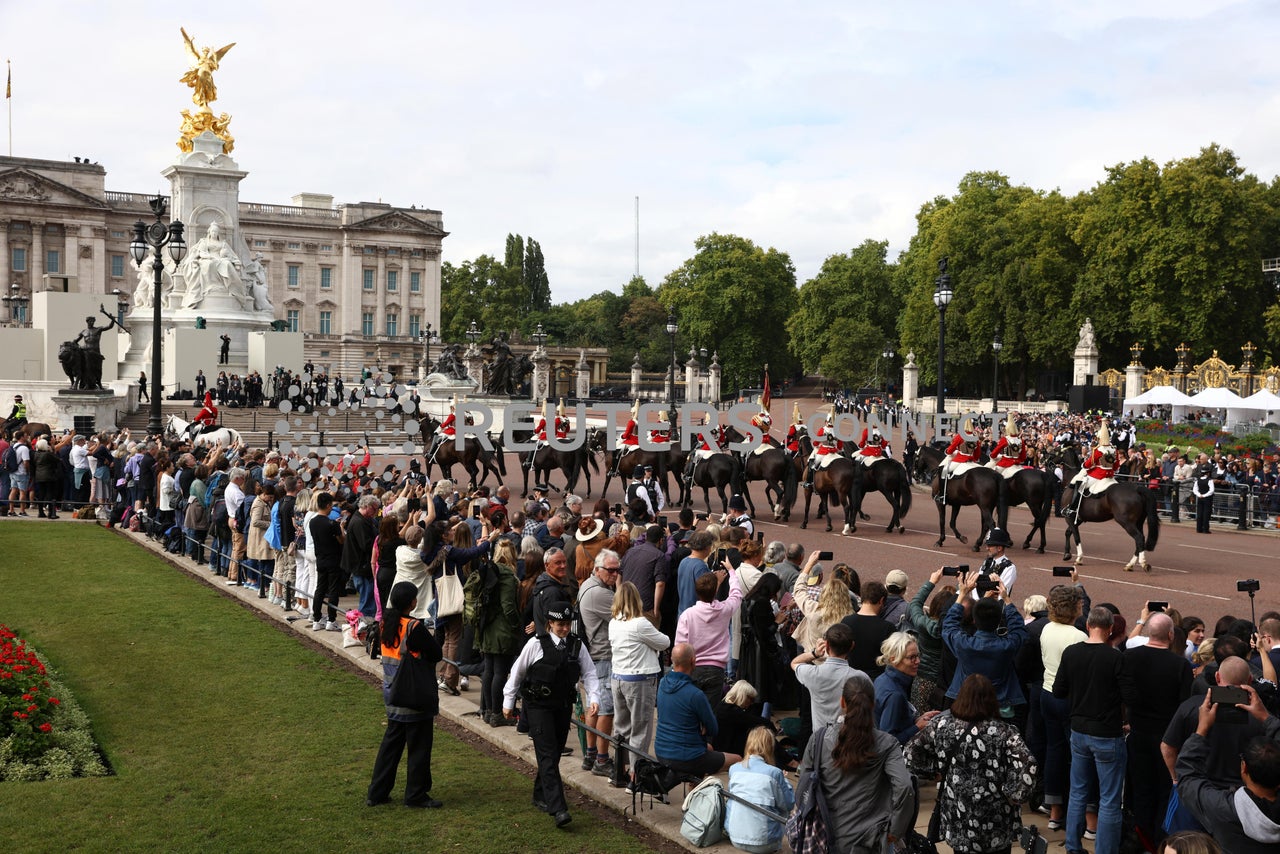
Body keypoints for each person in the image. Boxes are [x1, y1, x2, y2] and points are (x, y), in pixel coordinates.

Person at [905, 673, 1038, 854]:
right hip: (996, 819)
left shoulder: (942, 725)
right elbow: (1028, 765)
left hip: (958, 816)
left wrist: (934, 770)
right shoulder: (1004, 732)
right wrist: (1014, 794)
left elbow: (910, 754)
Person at [503, 601, 601, 828]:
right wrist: (508, 702)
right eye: (560, 625)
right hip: (538, 708)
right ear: (550, 624)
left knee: (554, 754)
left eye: (567, 624)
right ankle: (558, 808)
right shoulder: (535, 645)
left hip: (562, 707)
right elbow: (517, 673)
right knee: (547, 755)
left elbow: (590, 674)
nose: (564, 629)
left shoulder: (577, 646)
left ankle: (540, 794)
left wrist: (594, 699)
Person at [798, 677, 915, 852]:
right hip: (872, 840)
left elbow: (803, 787)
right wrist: (896, 830)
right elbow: (905, 787)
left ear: (842, 702)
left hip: (826, 836)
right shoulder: (887, 743)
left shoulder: (819, 739)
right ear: (873, 705)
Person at [1053, 606, 1136, 854]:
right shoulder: (1115, 658)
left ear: (1088, 625)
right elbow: (1130, 696)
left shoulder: (1071, 653)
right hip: (1107, 734)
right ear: (1110, 629)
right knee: (1109, 800)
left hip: (1079, 731)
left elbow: (1059, 690)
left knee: (1078, 792)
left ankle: (1072, 847)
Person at [1175, 686, 1280, 853]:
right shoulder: (1222, 807)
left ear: (1244, 768)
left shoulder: (1223, 809)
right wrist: (1266, 717)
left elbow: (1187, 779)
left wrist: (1201, 729)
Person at [367, 581, 444, 809]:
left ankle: (377, 792)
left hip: (393, 693)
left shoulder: (385, 624)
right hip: (413, 695)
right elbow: (436, 653)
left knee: (391, 747)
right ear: (412, 602)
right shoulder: (413, 627)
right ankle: (415, 795)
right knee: (419, 747)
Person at [1126, 611, 1194, 847]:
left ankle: (1142, 837)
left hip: (1137, 733)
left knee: (1142, 788)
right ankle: (1159, 839)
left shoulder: (1130, 656)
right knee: (1165, 789)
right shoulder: (1180, 665)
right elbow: (1184, 707)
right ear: (1171, 634)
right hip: (1168, 738)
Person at [655, 642, 741, 777]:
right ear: (693, 661)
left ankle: (694, 788)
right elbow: (713, 729)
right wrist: (702, 724)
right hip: (687, 757)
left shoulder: (662, 684)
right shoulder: (695, 695)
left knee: (709, 749)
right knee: (737, 760)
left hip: (661, 751)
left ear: (672, 660)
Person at [609, 580, 670, 768]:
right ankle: (637, 777)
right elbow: (665, 642)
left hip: (618, 678)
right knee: (640, 731)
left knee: (621, 728)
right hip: (640, 680)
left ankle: (619, 770)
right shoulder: (640, 624)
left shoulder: (614, 622)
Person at [677, 554, 743, 710]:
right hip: (716, 669)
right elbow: (736, 594)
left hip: (693, 667)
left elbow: (679, 645)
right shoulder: (724, 610)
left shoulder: (688, 615)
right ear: (715, 591)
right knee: (709, 713)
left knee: (692, 710)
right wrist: (731, 571)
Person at [577, 549, 619, 777]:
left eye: (617, 570)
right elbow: (628, 614)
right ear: (597, 569)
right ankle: (602, 760)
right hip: (602, 657)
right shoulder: (601, 594)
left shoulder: (588, 585)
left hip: (593, 657)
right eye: (610, 570)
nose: (614, 574)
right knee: (606, 709)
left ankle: (591, 754)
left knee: (593, 707)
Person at [725, 726, 796, 854]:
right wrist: (785, 781)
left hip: (735, 838)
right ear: (770, 747)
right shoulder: (774, 773)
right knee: (780, 802)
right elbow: (789, 804)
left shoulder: (734, 769)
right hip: (766, 844)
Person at [791, 622, 872, 730]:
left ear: (827, 645)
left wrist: (814, 653)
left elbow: (795, 663)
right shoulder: (861, 678)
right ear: (852, 646)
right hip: (851, 739)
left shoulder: (813, 674)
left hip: (821, 739)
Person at [477, 539, 522, 728]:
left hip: (486, 627)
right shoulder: (508, 576)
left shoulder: (489, 571)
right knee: (500, 673)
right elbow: (508, 606)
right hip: (502, 630)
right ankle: (497, 713)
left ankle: (488, 711)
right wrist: (516, 625)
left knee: (489, 670)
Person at [874, 631, 940, 745]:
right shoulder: (895, 695)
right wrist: (917, 727)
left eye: (918, 656)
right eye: (911, 658)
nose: (918, 661)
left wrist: (916, 720)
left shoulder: (882, 679)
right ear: (894, 660)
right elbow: (887, 741)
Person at [841, 580, 895, 680]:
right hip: (876, 680)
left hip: (849, 678)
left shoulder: (846, 621)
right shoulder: (888, 628)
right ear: (881, 600)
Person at [308, 491, 345, 631]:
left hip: (320, 559)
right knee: (333, 590)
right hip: (333, 559)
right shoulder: (331, 523)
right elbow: (341, 540)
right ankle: (331, 619)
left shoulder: (313, 521)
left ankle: (316, 618)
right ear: (329, 505)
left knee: (320, 588)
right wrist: (340, 528)